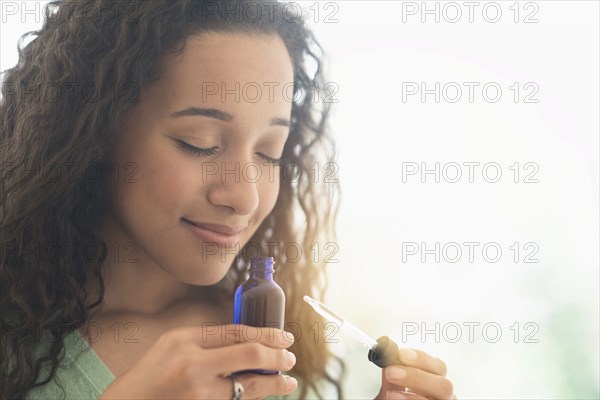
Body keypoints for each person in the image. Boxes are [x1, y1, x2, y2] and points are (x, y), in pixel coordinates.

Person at [0, 1, 455, 399]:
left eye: (268, 152)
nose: (244, 196)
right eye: (199, 143)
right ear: (95, 133)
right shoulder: (16, 342)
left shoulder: (280, 343)